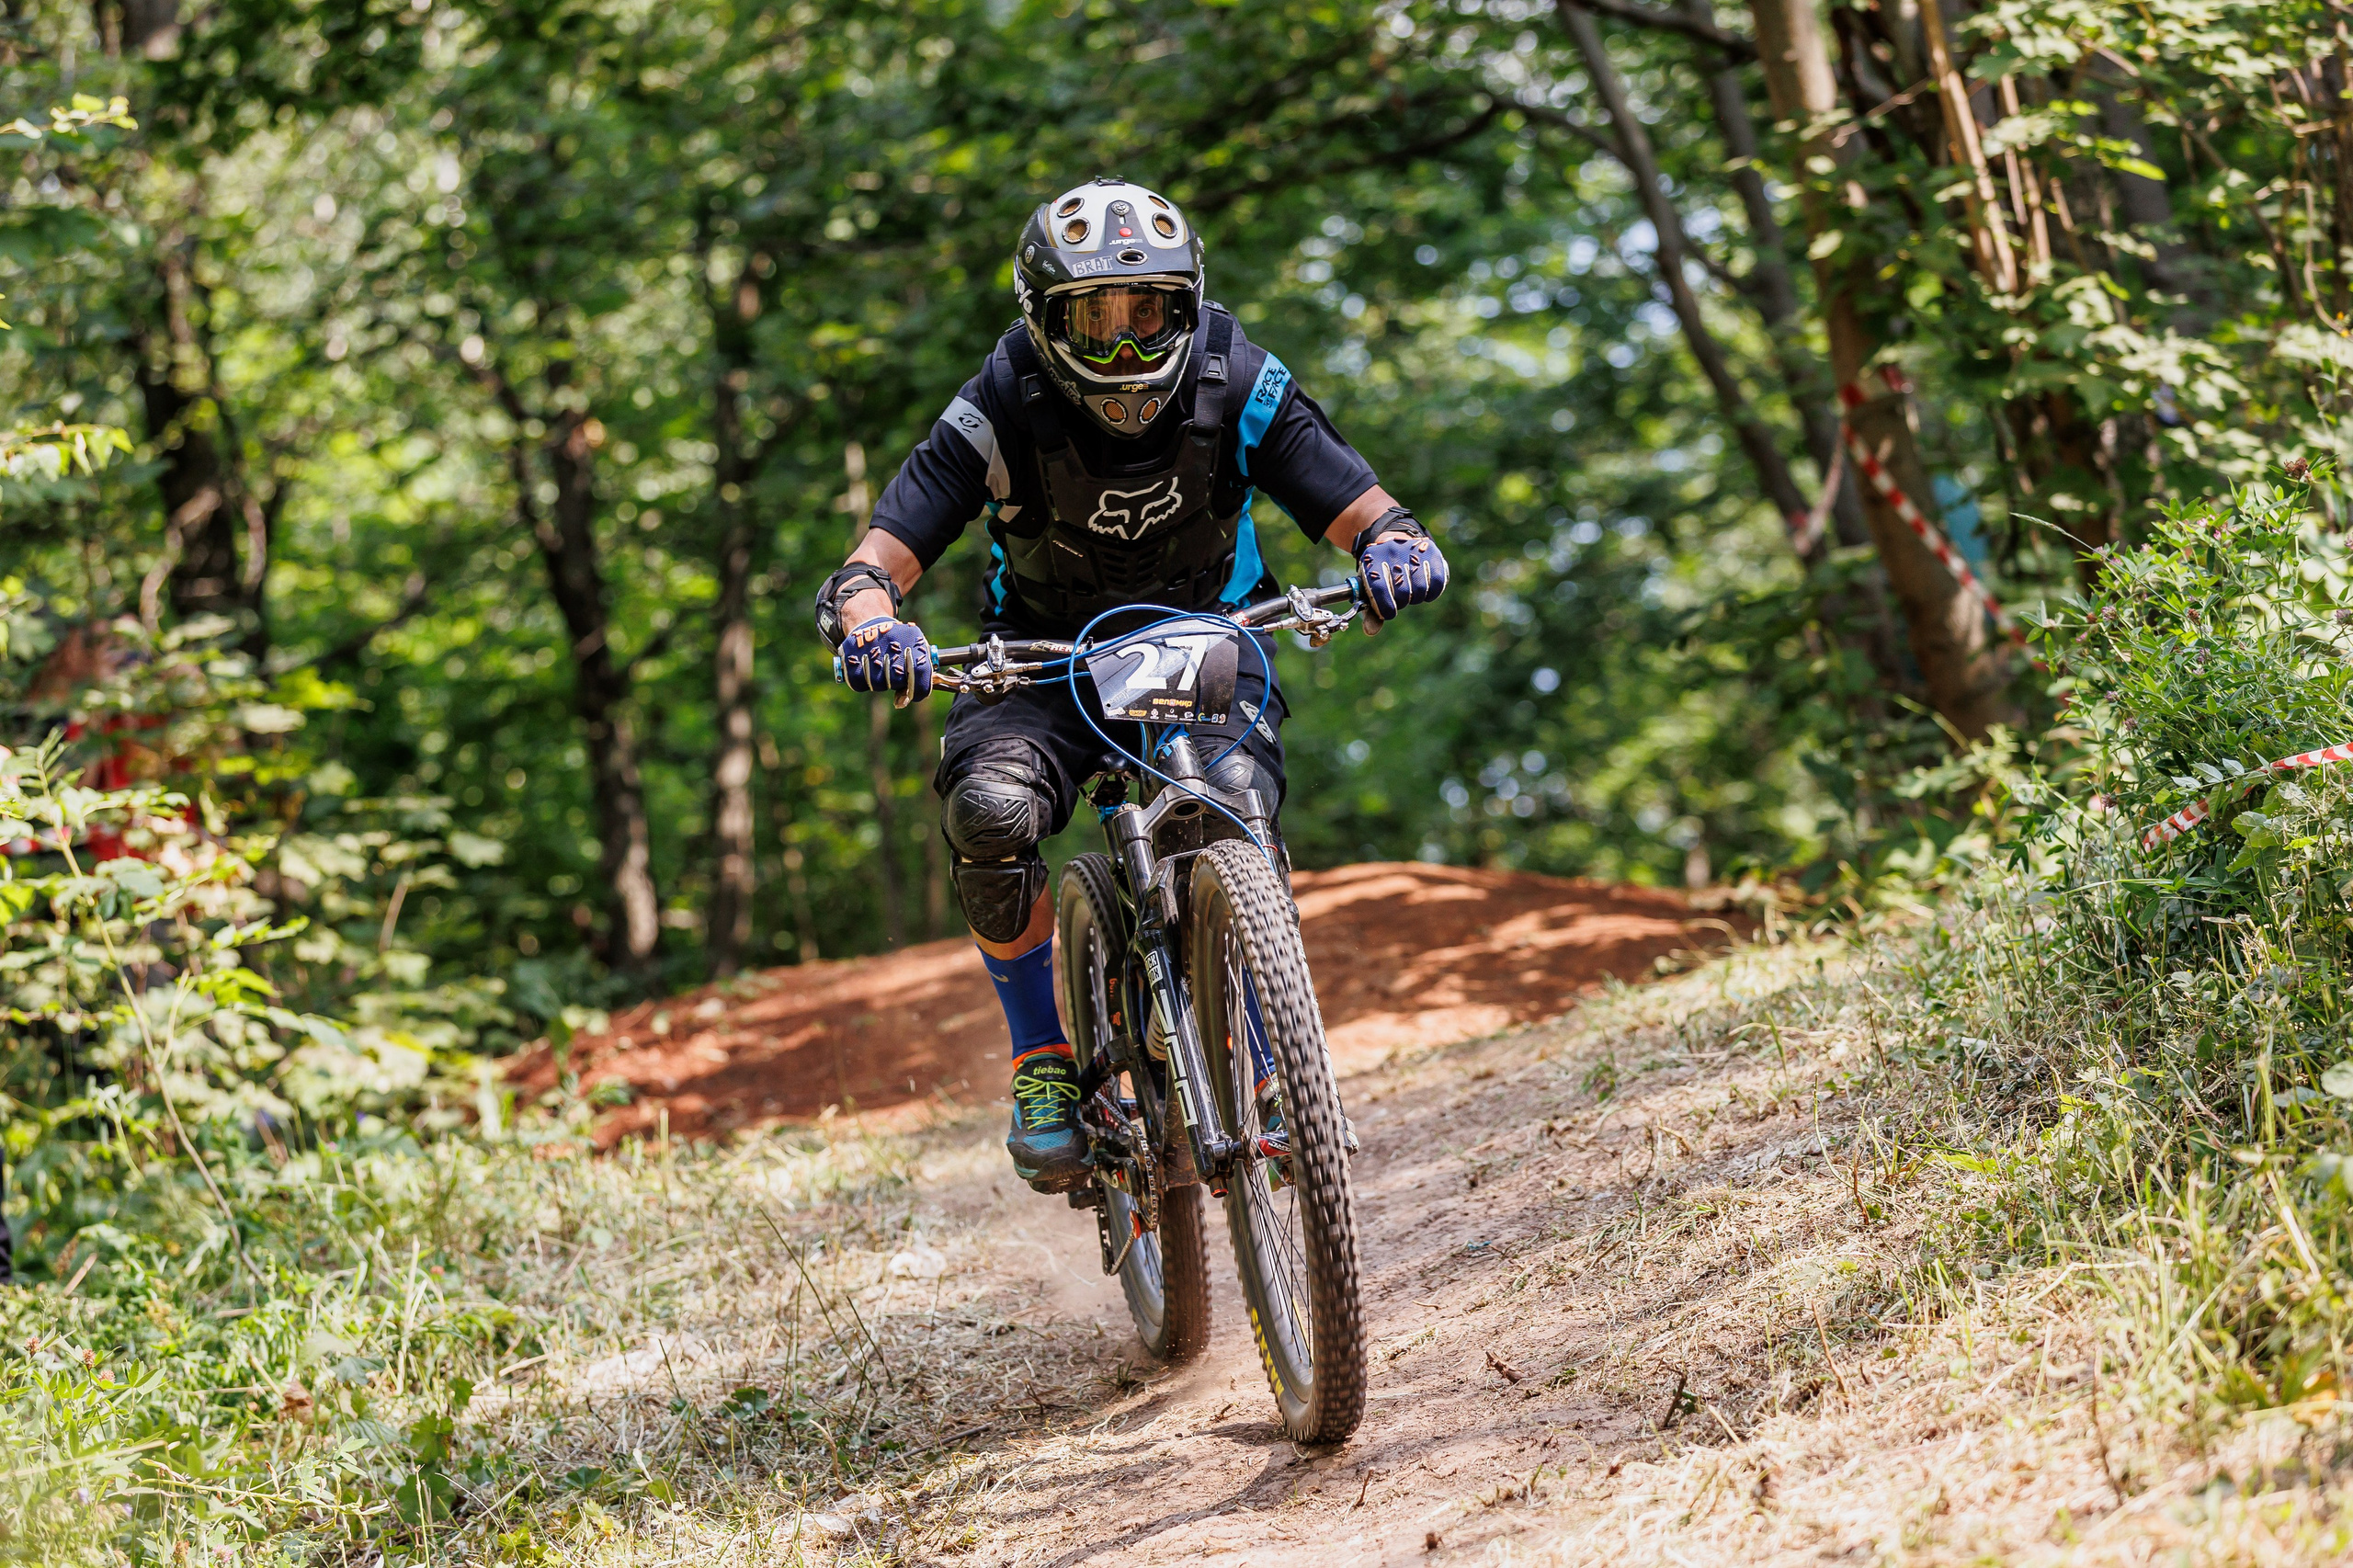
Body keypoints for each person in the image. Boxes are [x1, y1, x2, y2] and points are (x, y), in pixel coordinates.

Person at [814, 177, 1447, 1192]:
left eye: (1143, 313)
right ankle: (1039, 1062)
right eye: (1091, 323)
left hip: (1205, 634)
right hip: (1040, 657)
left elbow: (1367, 508)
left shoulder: (1238, 377)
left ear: (1185, 305)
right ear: (1040, 321)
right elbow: (871, 565)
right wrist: (869, 623)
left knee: (1229, 800)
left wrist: (1397, 547)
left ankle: (1277, 1065)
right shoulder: (998, 403)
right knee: (988, 807)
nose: (1120, 349)